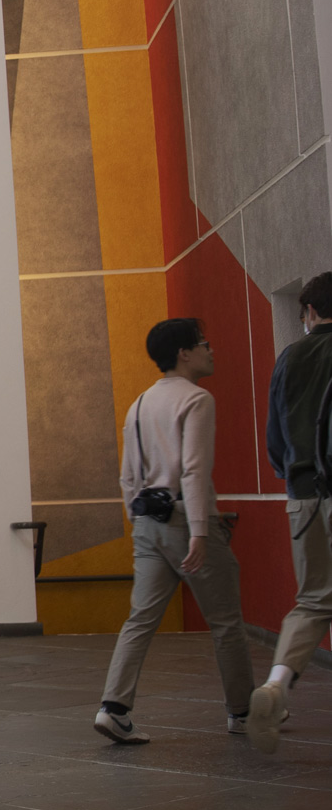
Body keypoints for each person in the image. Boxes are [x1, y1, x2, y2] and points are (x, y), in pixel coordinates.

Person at [95, 316, 254, 744]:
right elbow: (195, 469)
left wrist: (139, 521)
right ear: (184, 353)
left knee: (140, 619)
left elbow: (128, 477)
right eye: (204, 343)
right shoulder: (197, 399)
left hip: (148, 523)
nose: (211, 350)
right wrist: (201, 531)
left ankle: (114, 708)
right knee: (225, 622)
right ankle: (242, 712)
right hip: (187, 521)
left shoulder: (140, 404)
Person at [246, 272, 332, 751]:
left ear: (309, 312)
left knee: (315, 600)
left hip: (302, 496)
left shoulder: (291, 357)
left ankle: (276, 686)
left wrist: (294, 477)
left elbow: (274, 438)